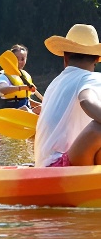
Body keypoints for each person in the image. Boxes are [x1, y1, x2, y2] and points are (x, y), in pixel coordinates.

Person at [35, 24, 101, 167]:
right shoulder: (91, 78)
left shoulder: (54, 83)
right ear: (97, 59)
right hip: (60, 167)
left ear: (65, 57)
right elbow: (86, 100)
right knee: (99, 128)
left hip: (43, 166)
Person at [0, 44, 41, 114]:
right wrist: (22, 87)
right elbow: (2, 89)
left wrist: (40, 105)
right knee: (25, 109)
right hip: (8, 113)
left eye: (22, 59)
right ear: (11, 60)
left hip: (24, 112)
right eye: (16, 59)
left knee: (41, 108)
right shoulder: (4, 75)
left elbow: (25, 99)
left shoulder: (25, 76)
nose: (19, 62)